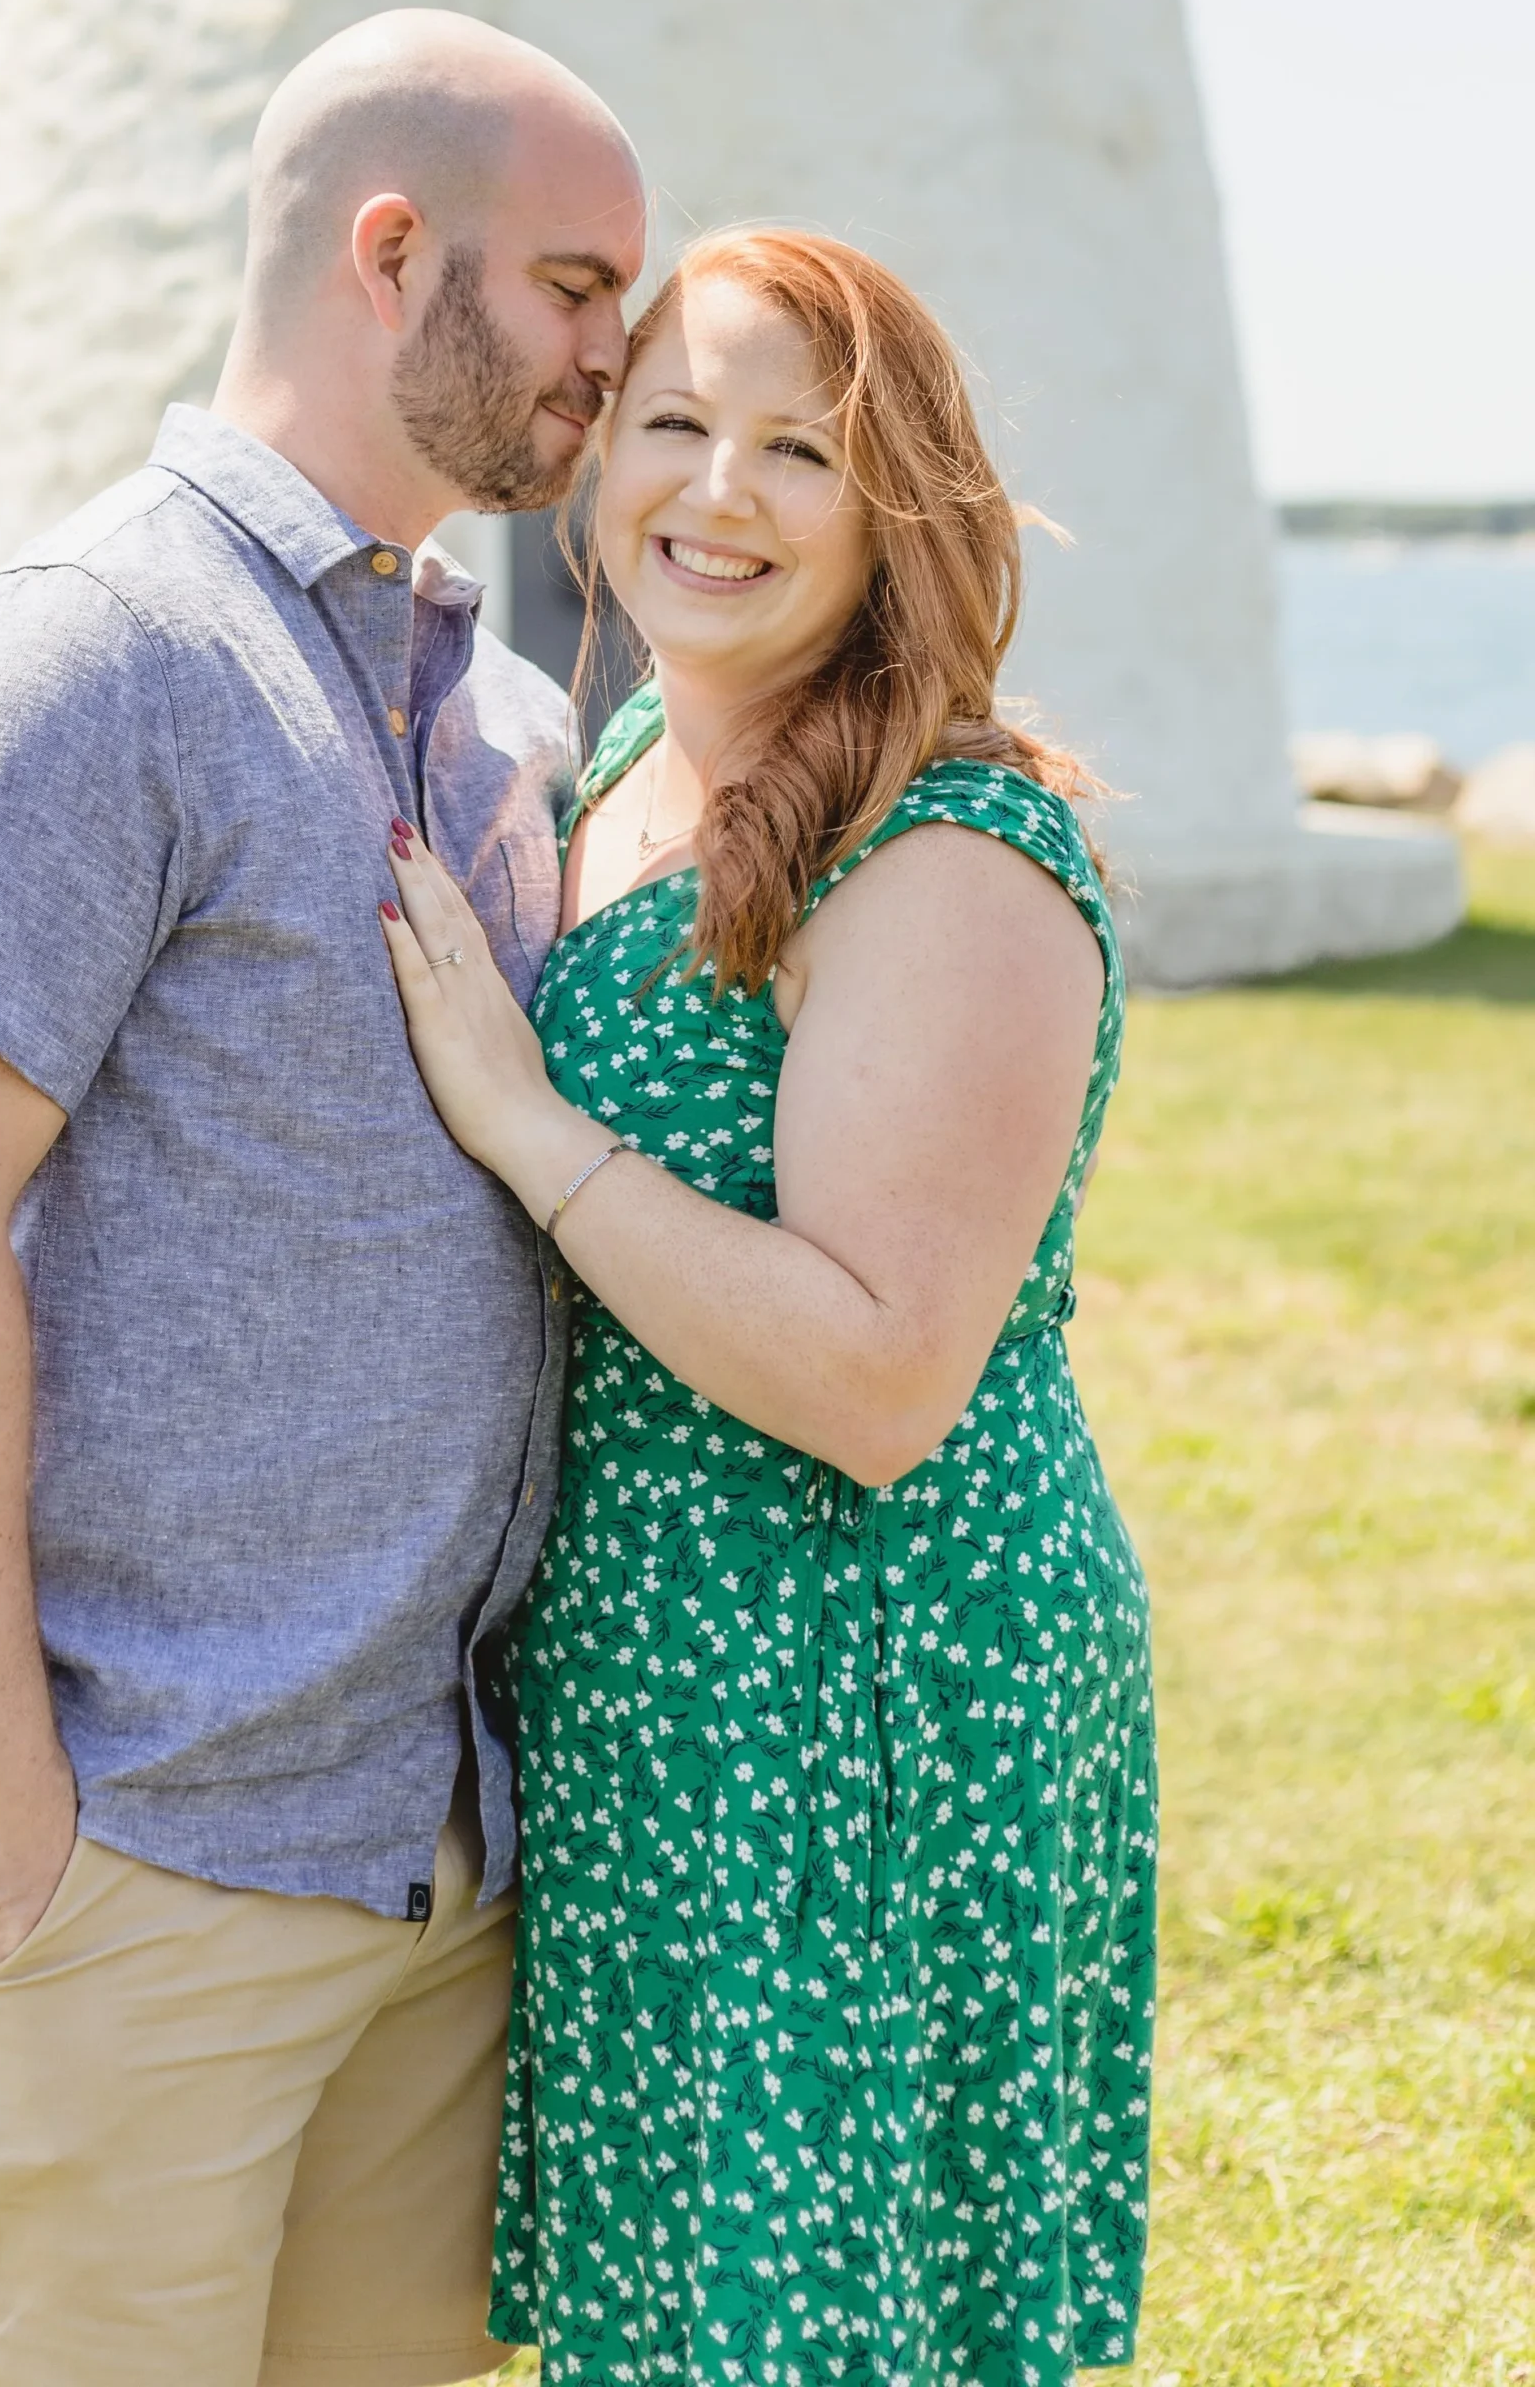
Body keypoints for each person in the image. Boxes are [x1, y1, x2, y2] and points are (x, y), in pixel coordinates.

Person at [0, 8, 646, 2386]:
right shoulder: (87, 653)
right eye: (574, 285)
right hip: (122, 1836)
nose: (617, 351)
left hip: (422, 1845)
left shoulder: (510, 720)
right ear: (393, 250)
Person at [377, 226, 1158, 2385]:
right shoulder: (632, 758)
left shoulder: (948, 848)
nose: (718, 492)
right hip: (666, 1677)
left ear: (897, 503)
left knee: (821, 2316)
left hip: (861, 1675)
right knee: (684, 2302)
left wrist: (524, 1124)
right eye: (674, 421)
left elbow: (880, 1372)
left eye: (800, 450)